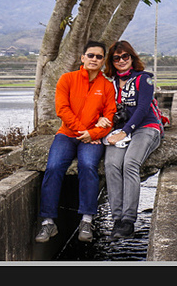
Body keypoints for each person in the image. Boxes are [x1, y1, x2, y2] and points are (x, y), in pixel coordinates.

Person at [34, 41, 116, 244]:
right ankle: (48, 222)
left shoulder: (106, 86)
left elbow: (110, 117)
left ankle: (87, 219)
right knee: (53, 167)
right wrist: (85, 131)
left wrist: (94, 134)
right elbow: (62, 109)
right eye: (90, 55)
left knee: (88, 166)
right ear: (82, 57)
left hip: (92, 138)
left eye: (98, 56)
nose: (94, 59)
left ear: (103, 60)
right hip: (67, 134)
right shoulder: (67, 79)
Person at [98, 40, 163, 238]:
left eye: (125, 56)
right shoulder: (110, 85)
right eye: (116, 58)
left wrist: (125, 131)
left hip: (145, 128)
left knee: (130, 163)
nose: (121, 60)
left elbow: (143, 109)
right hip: (120, 131)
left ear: (132, 58)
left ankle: (128, 220)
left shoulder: (145, 79)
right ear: (112, 61)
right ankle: (117, 218)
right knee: (111, 164)